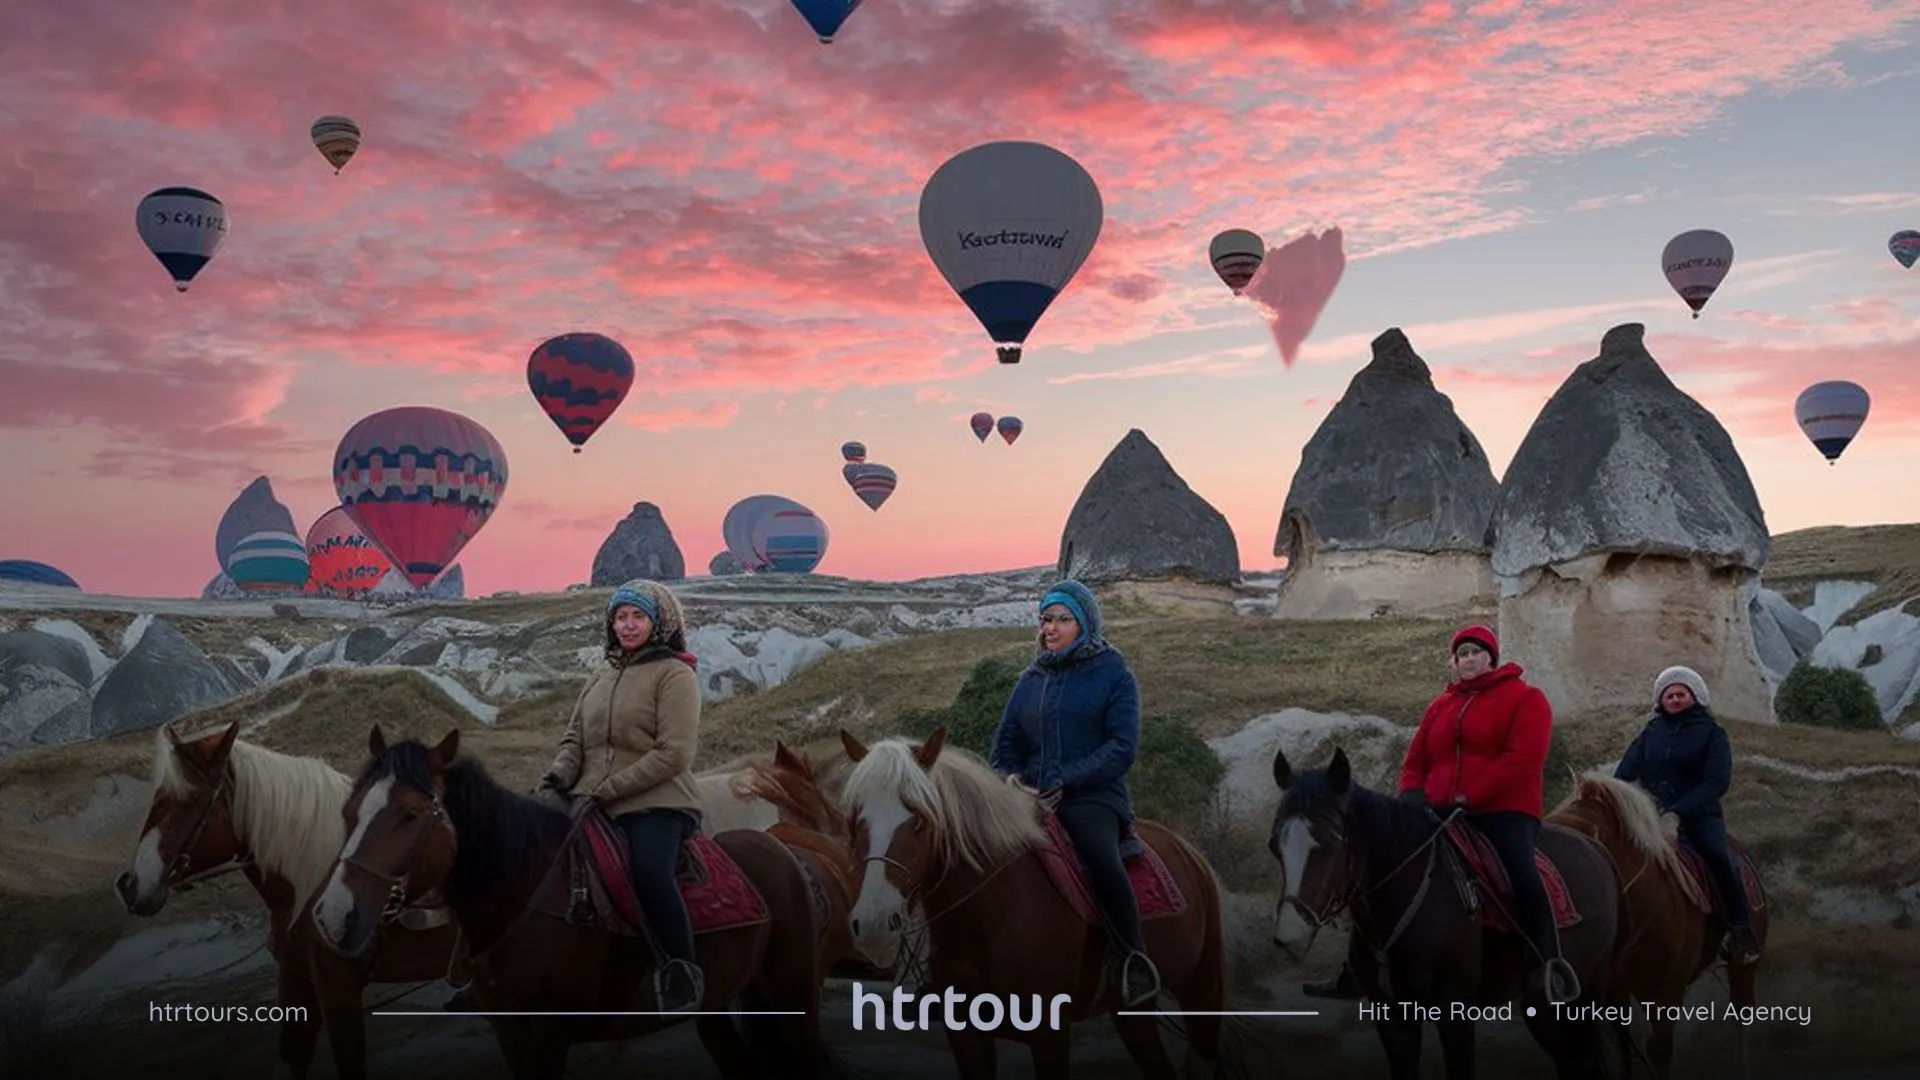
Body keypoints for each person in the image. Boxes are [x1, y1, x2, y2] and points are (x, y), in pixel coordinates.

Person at [538, 578, 707, 1014]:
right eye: (620, 617)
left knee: (649, 872)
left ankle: (680, 970)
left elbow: (674, 754)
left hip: (656, 800)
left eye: (638, 616)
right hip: (586, 798)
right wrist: (557, 777)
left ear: (660, 622)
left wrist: (607, 790)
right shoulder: (603, 674)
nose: (627, 626)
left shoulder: (675, 674)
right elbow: (574, 737)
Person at [989, 579, 1160, 1008]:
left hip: (1092, 798)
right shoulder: (1030, 678)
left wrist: (1062, 779)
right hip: (1025, 797)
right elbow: (1004, 745)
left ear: (1085, 624)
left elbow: (1121, 748)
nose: (1051, 628)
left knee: (1101, 859)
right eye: (1046, 619)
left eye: (1063, 619)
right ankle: (945, 964)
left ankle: (1132, 958)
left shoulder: (1114, 673)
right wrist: (1007, 780)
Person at [1399, 625, 1578, 1005]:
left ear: (1491, 658)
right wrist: (1411, 794)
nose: (1467, 660)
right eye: (1461, 654)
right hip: (1440, 812)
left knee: (1521, 873)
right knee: (1388, 865)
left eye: (1476, 652)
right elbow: (1416, 759)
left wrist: (1469, 795)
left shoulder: (1526, 698)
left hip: (1504, 811)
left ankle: (1549, 962)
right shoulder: (1440, 706)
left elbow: (1522, 761)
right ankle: (1361, 966)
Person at [1615, 666, 1759, 964]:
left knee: (1717, 855)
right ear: (1660, 700)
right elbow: (1625, 773)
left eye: (1682, 693)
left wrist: (1678, 812)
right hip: (1652, 816)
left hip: (1699, 815)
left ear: (1696, 697)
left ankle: (1740, 930)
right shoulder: (1650, 733)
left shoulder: (1712, 734)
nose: (1676, 698)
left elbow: (1717, 782)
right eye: (1670, 694)